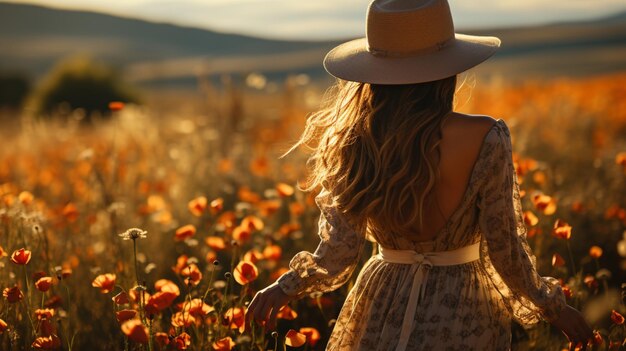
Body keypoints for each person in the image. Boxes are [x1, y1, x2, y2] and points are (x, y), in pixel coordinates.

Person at [244, 0, 594, 350]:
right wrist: (552, 308)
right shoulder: (486, 135)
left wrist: (284, 287)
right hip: (462, 306)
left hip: (382, 301)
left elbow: (340, 252)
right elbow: (504, 247)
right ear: (448, 68)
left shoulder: (358, 141)